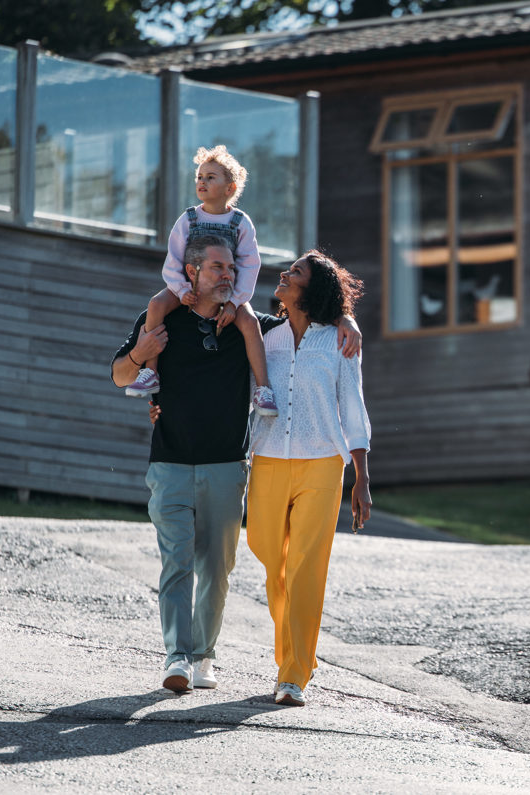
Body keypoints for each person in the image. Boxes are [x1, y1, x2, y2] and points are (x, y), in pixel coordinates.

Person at [112, 235, 362, 693]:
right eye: (218, 268)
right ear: (192, 272)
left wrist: (346, 315)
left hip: (229, 465)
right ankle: (177, 655)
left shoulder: (255, 327)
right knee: (180, 562)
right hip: (170, 461)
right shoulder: (163, 317)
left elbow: (312, 318)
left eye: (232, 268)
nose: (229, 276)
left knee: (217, 566)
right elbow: (120, 376)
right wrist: (139, 357)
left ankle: (222, 658)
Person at [245, 250, 372, 707]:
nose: (285, 273)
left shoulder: (339, 341)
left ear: (312, 287)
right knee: (266, 553)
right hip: (269, 458)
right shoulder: (265, 334)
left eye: (295, 272)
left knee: (306, 567)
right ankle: (294, 657)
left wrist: (361, 475)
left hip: (322, 463)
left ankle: (294, 672)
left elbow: (353, 406)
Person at [124, 145, 279, 418]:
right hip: (188, 289)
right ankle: (150, 371)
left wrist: (234, 302)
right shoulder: (188, 218)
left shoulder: (241, 223)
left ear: (230, 188)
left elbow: (249, 265)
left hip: (226, 292)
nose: (202, 182)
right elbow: (173, 261)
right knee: (156, 304)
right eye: (199, 177)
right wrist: (182, 289)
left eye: (210, 177)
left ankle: (263, 389)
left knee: (250, 322)